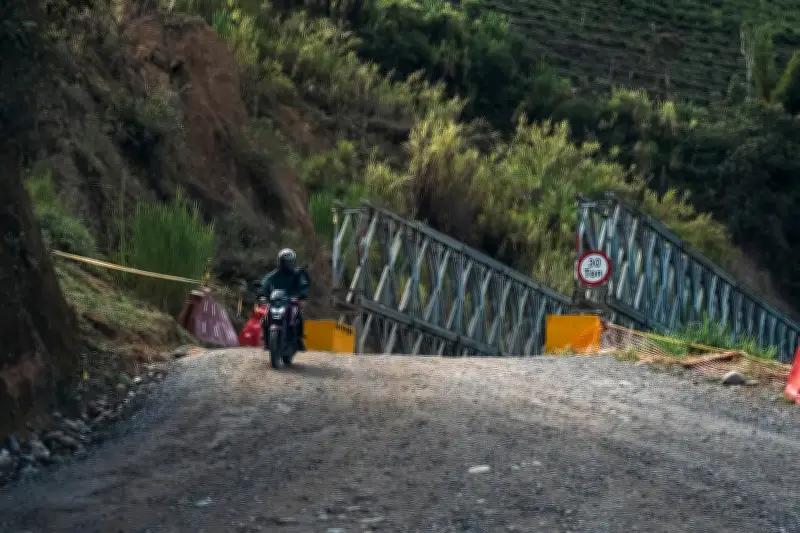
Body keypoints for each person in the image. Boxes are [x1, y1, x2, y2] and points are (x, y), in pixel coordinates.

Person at [258, 248, 309, 351]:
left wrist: (302, 294)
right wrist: (261, 292)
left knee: (298, 315)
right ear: (280, 262)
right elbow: (265, 282)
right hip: (276, 300)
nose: (287, 264)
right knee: (265, 317)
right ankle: (267, 339)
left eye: (289, 262)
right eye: (284, 262)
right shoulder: (274, 274)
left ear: (293, 262)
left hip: (292, 300)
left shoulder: (298, 274)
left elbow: (303, 284)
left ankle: (299, 339)